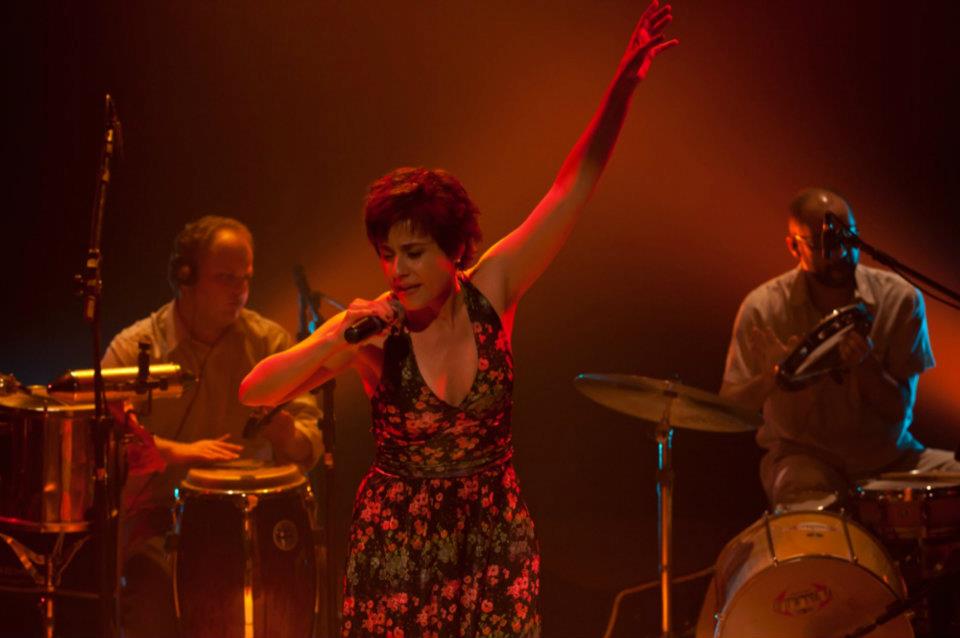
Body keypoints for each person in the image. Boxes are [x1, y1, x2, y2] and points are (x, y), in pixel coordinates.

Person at [240, 3, 677, 635]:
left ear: (455, 250)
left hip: (493, 533)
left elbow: (572, 186)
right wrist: (336, 337)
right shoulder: (374, 331)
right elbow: (255, 391)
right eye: (387, 254)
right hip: (398, 543)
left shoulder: (494, 289)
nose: (398, 270)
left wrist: (624, 85)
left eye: (414, 253)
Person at [102, 215, 322, 638]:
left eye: (245, 278)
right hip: (161, 529)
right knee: (150, 609)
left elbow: (310, 443)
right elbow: (104, 441)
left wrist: (288, 435)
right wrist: (178, 452)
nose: (239, 290)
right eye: (225, 278)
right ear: (184, 277)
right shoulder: (134, 349)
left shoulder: (269, 344)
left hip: (253, 529)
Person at [719, 187, 960, 508]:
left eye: (848, 238)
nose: (841, 253)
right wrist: (774, 376)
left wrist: (866, 365)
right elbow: (727, 410)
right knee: (807, 507)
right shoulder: (763, 308)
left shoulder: (900, 299)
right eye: (825, 243)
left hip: (890, 458)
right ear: (794, 246)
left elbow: (899, 410)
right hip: (804, 460)